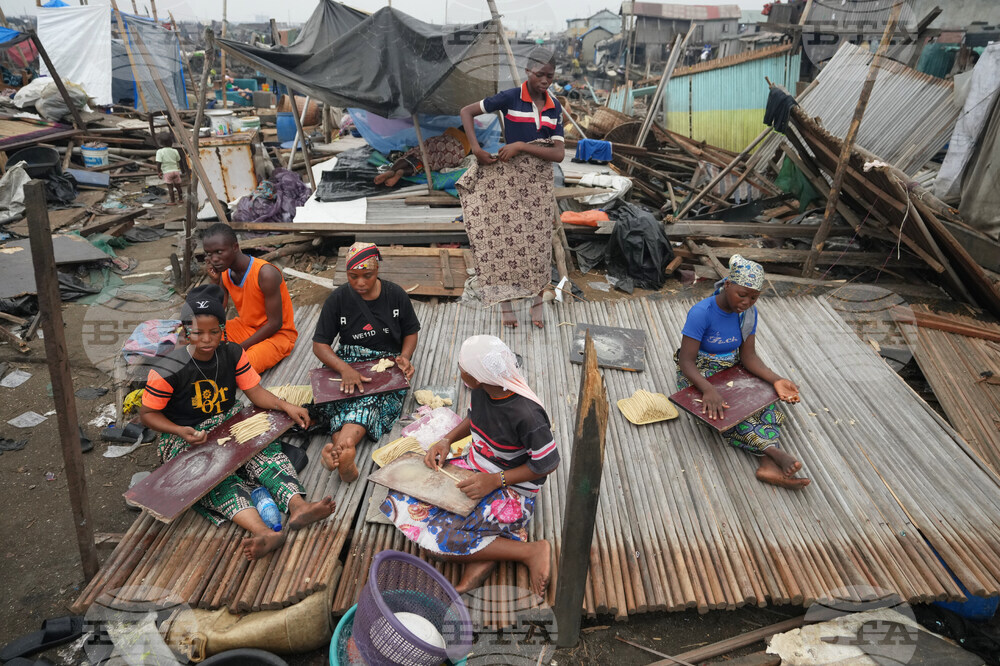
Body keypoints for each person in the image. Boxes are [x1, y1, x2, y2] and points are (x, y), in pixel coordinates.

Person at [139, 285, 335, 561]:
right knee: (210, 477)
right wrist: (178, 430)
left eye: (214, 332)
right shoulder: (167, 368)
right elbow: (147, 415)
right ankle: (263, 532)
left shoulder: (231, 353)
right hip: (185, 434)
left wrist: (285, 405)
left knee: (265, 453)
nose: (206, 340)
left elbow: (254, 392)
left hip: (230, 419)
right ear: (185, 333)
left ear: (223, 329)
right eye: (197, 333)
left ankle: (299, 506)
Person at [382, 335, 557, 597]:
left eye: (463, 367)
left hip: (512, 490)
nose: (460, 370)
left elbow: (546, 464)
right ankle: (485, 555)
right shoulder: (482, 390)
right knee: (399, 498)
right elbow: (474, 417)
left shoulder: (527, 415)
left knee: (440, 541)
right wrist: (446, 440)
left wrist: (495, 481)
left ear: (476, 376)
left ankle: (531, 551)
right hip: (473, 467)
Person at [676, 254, 809, 490]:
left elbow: (748, 357)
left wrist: (777, 380)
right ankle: (772, 454)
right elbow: (686, 361)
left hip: (733, 368)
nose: (747, 302)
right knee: (725, 412)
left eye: (754, 297)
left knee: (763, 403)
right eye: (742, 294)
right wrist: (707, 389)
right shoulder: (701, 313)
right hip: (700, 372)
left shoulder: (748, 314)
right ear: (727, 285)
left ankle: (768, 465)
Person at [458, 47, 565, 329]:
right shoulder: (510, 98)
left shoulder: (555, 106)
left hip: (538, 184)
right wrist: (477, 149)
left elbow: (558, 154)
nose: (545, 80)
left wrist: (519, 145)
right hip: (508, 181)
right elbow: (466, 111)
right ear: (529, 71)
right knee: (503, 242)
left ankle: (537, 302)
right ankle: (505, 305)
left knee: (539, 244)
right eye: (540, 74)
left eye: (550, 76)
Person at [312, 242, 420, 482]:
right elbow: (320, 345)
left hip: (386, 365)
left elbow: (411, 332)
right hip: (347, 360)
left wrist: (404, 357)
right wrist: (345, 369)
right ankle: (345, 452)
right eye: (353, 276)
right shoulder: (337, 299)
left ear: (377, 271)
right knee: (336, 400)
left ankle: (340, 447)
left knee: (371, 399)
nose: (360, 282)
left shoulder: (395, 295)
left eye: (367, 276)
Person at [203, 223, 298, 374]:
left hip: (277, 335)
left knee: (241, 368)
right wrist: (214, 282)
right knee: (200, 337)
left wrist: (239, 347)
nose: (213, 259)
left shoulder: (265, 274)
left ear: (235, 247)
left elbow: (275, 324)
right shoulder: (225, 272)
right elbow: (217, 313)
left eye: (219, 252)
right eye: (208, 254)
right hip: (246, 327)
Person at [373, 127, 471, 188]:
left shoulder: (450, 134)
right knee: (426, 164)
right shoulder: (466, 148)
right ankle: (402, 172)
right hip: (454, 156)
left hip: (438, 142)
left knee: (416, 153)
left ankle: (392, 170)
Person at [155, 133, 184, 205]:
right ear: (171, 142)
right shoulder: (175, 151)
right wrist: (181, 170)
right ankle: (180, 199)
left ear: (160, 144)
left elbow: (159, 163)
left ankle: (172, 201)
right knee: (178, 187)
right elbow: (179, 160)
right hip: (176, 171)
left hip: (167, 172)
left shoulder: (160, 152)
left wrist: (159, 172)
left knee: (170, 188)